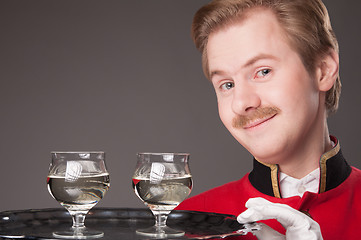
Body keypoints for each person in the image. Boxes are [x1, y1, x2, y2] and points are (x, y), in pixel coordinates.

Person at [176, 0, 361, 239]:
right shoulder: (186, 225)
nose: (241, 103)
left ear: (323, 70)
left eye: (263, 71)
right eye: (227, 84)